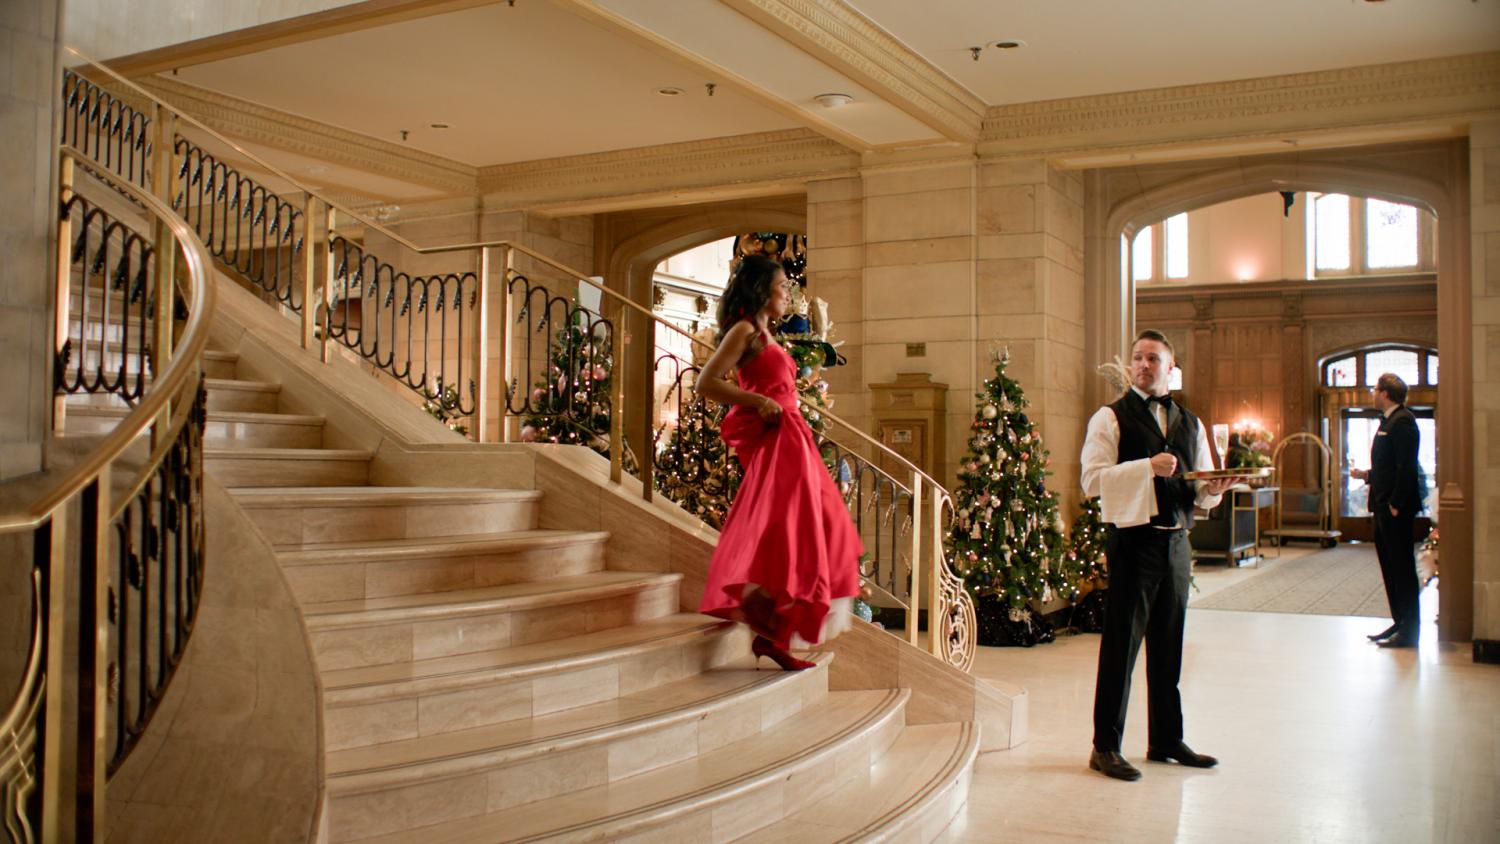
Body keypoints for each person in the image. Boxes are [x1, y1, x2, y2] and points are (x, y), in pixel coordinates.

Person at [1079, 329, 1236, 782]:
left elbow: (1200, 488)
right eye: (1137, 358)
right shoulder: (1109, 418)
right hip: (1133, 544)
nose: (1143, 365)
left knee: (1169, 647)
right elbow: (1092, 480)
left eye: (1153, 358)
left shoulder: (1191, 422)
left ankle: (1166, 739)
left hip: (1177, 545)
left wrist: (1213, 489)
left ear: (1172, 368)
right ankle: (1104, 746)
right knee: (1121, 650)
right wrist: (1146, 467)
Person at [695, 254, 862, 671]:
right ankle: (771, 634)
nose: (788, 292)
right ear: (760, 289)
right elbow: (706, 383)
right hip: (775, 440)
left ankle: (773, 631)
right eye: (783, 285)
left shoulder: (766, 332)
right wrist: (758, 400)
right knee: (788, 530)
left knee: (821, 524)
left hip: (793, 437)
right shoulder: (745, 330)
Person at [1350, 372, 1422, 648]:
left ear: (1385, 393)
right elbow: (1387, 468)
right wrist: (1366, 476)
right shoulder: (1388, 421)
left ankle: (1410, 629)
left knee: (1402, 569)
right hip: (1381, 505)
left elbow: (1406, 467)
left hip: (1394, 510)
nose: (1372, 393)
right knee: (1390, 568)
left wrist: (1395, 504)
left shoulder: (1403, 422)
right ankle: (1399, 621)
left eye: (1375, 389)